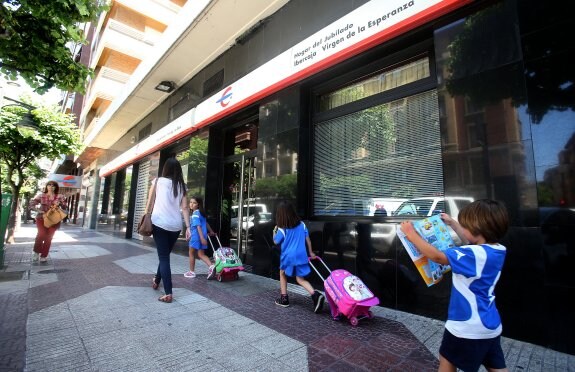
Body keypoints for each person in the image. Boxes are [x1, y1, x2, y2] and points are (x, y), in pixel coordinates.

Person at [400, 199, 510, 372]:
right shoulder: (497, 250)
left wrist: (411, 234)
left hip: (467, 326)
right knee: (496, 366)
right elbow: (472, 241)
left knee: (447, 359)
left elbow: (437, 257)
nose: (463, 229)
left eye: (465, 226)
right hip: (490, 325)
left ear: (478, 229)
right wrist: (453, 223)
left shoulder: (472, 254)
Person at [149, 158, 191, 303]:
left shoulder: (158, 181)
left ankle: (168, 293)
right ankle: (157, 279)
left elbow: (150, 203)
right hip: (175, 226)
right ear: (179, 170)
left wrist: (145, 217)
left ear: (165, 169)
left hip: (159, 223)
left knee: (164, 257)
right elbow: (185, 208)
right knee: (165, 255)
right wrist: (188, 227)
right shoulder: (182, 186)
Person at [273, 200, 325, 313]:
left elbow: (276, 242)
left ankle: (284, 299)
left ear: (280, 215)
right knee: (300, 278)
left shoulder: (282, 228)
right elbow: (308, 240)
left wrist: (274, 232)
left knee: (282, 273)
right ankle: (315, 295)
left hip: (288, 256)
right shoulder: (302, 224)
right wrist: (311, 253)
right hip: (301, 255)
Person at [29, 181, 67, 263]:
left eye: (53, 185)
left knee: (48, 237)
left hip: (54, 220)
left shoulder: (60, 196)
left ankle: (44, 255)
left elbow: (65, 206)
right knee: (41, 234)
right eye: (49, 185)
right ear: (46, 186)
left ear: (56, 187)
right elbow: (31, 204)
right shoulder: (41, 195)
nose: (51, 186)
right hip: (41, 218)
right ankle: (36, 252)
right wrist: (38, 210)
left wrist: (60, 203)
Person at [184, 196, 216, 279]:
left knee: (191, 253)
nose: (191, 204)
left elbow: (198, 226)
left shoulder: (195, 214)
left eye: (194, 203)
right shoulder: (201, 213)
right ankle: (211, 266)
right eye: (190, 202)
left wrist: (201, 238)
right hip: (202, 236)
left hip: (196, 237)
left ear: (198, 205)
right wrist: (211, 231)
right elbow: (206, 223)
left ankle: (191, 272)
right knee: (201, 254)